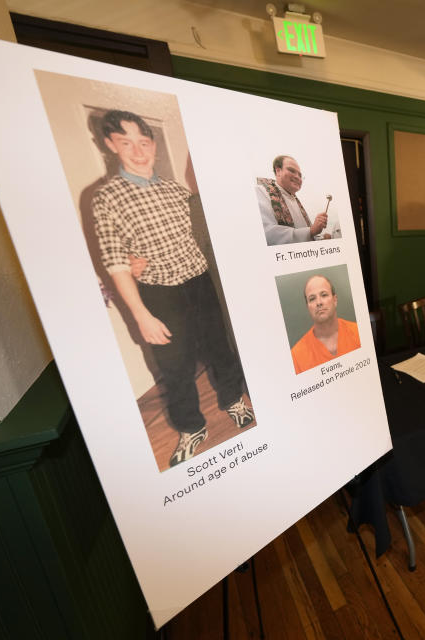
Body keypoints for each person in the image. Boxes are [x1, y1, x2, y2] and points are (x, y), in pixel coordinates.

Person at [92, 110, 254, 468]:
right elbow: (116, 263)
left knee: (220, 349)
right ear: (110, 145)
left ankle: (232, 399)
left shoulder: (174, 190)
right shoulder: (106, 198)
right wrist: (142, 316)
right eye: (126, 143)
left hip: (199, 283)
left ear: (152, 144)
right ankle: (191, 427)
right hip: (159, 294)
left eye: (143, 142)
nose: (137, 152)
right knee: (176, 366)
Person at [291, 274, 361, 373]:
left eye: (324, 295)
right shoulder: (296, 356)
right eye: (312, 298)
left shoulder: (359, 332)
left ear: (335, 300)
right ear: (308, 307)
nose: (319, 302)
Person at [256, 155, 329, 245]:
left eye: (300, 175)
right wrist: (310, 231)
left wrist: (321, 238)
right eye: (291, 170)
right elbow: (266, 233)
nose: (297, 177)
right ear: (278, 171)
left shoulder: (296, 202)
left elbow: (309, 234)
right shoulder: (260, 192)